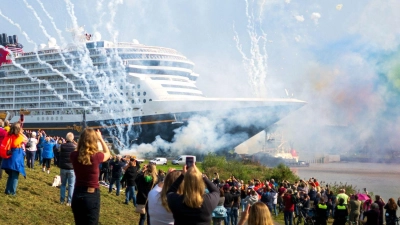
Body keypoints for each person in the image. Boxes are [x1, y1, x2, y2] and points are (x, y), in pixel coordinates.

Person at [70, 128, 110, 225]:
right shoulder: (97, 156)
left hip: (77, 193)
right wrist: (100, 138)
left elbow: (78, 150)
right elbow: (108, 153)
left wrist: (81, 144)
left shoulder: (73, 155)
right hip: (91, 195)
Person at [1, 122, 27, 195]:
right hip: (16, 156)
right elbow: (25, 139)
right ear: (18, 129)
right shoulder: (19, 137)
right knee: (15, 175)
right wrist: (21, 133)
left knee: (11, 175)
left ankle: (7, 190)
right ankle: (12, 192)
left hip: (9, 156)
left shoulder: (8, 135)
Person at [59, 132, 76, 206]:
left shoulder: (62, 146)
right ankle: (69, 201)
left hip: (63, 167)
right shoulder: (75, 147)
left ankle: (62, 200)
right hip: (72, 168)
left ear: (66, 138)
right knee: (71, 185)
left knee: (63, 184)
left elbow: (58, 152)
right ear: (72, 139)